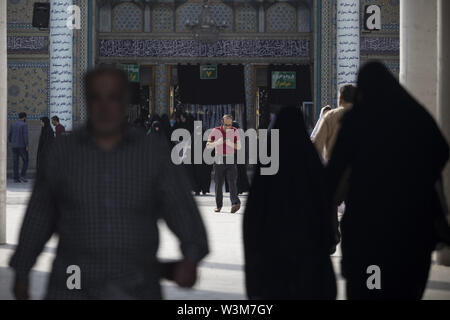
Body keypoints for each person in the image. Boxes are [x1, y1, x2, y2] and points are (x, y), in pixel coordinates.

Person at [10, 67, 209, 300]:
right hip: (73, 284)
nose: (104, 107)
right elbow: (39, 217)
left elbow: (182, 209)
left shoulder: (151, 154)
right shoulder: (63, 154)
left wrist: (191, 256)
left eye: (113, 97)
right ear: (87, 100)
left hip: (136, 286)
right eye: (96, 97)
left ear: (125, 100)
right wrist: (22, 271)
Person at [326, 61, 449, 300]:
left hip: (367, 223)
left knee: (368, 287)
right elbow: (441, 151)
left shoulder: (357, 120)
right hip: (412, 225)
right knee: (403, 287)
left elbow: (334, 172)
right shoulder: (414, 115)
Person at [244, 106, 337, 300]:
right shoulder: (311, 164)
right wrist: (328, 240)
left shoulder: (267, 171)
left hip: (273, 260)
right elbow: (325, 207)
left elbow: (252, 220)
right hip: (309, 260)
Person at [207, 115, 241, 213]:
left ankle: (235, 203)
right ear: (222, 122)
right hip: (219, 158)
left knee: (232, 182)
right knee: (218, 183)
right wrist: (217, 142)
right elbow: (208, 145)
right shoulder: (215, 131)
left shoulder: (234, 130)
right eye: (226, 125)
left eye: (230, 125)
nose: (228, 127)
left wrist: (230, 143)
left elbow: (238, 146)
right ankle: (219, 205)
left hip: (230, 158)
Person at [313, 85, 357, 162]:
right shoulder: (366, 117)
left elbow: (317, 146)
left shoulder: (330, 116)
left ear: (340, 99)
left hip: (334, 169)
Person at [8, 112, 29, 183]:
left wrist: (12, 141)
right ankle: (22, 175)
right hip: (22, 146)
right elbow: (25, 136)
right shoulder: (24, 124)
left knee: (15, 162)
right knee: (26, 160)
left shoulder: (13, 124)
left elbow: (9, 134)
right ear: (24, 117)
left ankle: (16, 178)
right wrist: (27, 145)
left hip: (14, 146)